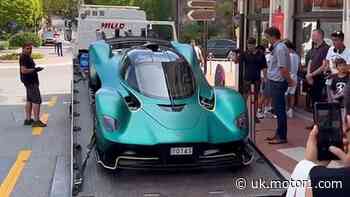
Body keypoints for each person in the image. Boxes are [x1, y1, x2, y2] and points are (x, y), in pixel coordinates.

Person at [263, 27, 294, 144]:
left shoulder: (280, 48)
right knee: (277, 109)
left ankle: (281, 136)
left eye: (267, 37)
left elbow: (282, 68)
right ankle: (278, 133)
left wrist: (290, 80)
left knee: (279, 110)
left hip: (278, 82)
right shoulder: (278, 47)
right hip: (275, 81)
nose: (266, 39)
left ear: (272, 36)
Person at [234, 37, 267, 122]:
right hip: (247, 79)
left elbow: (264, 67)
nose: (249, 47)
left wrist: (265, 78)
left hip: (256, 79)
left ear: (254, 45)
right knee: (245, 97)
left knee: (256, 98)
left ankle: (254, 116)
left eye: (251, 45)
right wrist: (235, 54)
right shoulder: (245, 54)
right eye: (248, 45)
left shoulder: (260, 54)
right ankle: (244, 115)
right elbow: (236, 61)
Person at [305, 29, 329, 129]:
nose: (312, 37)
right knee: (314, 101)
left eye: (314, 35)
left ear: (320, 36)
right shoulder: (313, 49)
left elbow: (324, 66)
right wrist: (308, 74)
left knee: (320, 101)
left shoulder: (326, 48)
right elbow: (310, 62)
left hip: (320, 79)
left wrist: (312, 75)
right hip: (311, 78)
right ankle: (315, 123)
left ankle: (321, 124)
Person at [19, 43, 47, 127]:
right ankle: (36, 121)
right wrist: (35, 70)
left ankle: (28, 120)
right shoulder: (24, 57)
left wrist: (35, 69)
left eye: (30, 48)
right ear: (23, 49)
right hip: (31, 82)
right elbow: (23, 70)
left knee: (29, 100)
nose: (29, 50)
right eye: (27, 48)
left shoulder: (26, 56)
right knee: (36, 100)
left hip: (28, 81)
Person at [284, 40, 300, 118]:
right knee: (292, 94)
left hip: (289, 75)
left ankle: (286, 109)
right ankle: (291, 110)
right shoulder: (297, 56)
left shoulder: (288, 56)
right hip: (295, 76)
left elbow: (286, 67)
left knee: (286, 94)